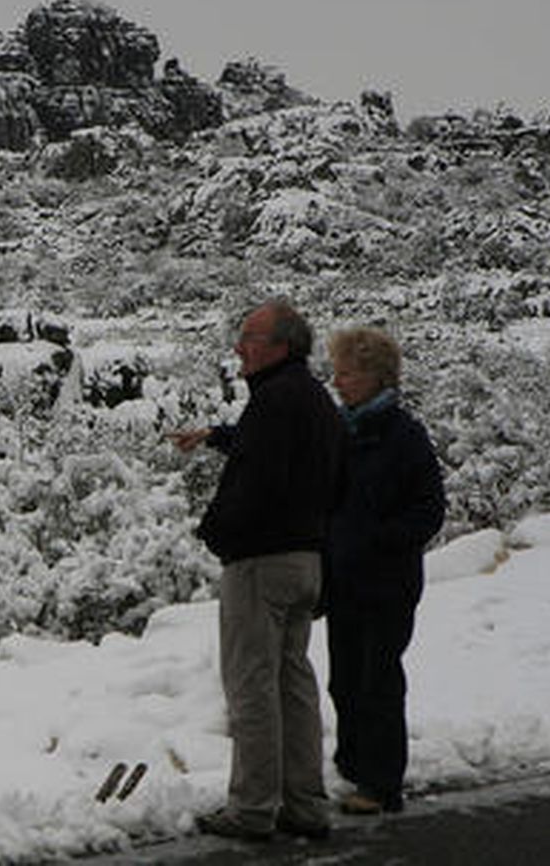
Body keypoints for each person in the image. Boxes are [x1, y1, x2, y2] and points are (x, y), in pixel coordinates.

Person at [168, 299, 344, 842]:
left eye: (250, 337)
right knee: (293, 683)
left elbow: (260, 480)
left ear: (280, 347)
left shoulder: (274, 403)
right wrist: (217, 436)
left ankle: (251, 808)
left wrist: (216, 530)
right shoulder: (315, 399)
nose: (239, 346)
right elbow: (320, 471)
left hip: (261, 563)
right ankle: (306, 803)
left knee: (251, 686)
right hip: (306, 560)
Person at [325, 327, 446, 815]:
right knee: (345, 679)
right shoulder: (341, 430)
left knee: (378, 678)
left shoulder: (404, 436)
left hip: (387, 582)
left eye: (347, 373)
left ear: (377, 377)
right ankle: (355, 769)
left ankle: (380, 782)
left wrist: (377, 540)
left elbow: (429, 510)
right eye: (336, 372)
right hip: (344, 581)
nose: (338, 381)